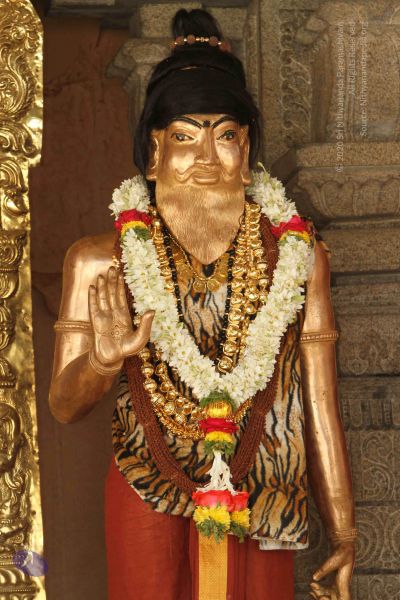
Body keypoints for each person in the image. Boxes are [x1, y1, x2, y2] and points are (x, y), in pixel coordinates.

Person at [49, 9, 356, 600]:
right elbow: (64, 406)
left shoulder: (297, 256)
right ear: (153, 153)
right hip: (146, 474)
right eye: (185, 137)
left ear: (248, 151)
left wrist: (343, 527)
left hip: (263, 479)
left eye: (226, 136)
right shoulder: (99, 260)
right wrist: (103, 363)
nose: (208, 157)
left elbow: (320, 401)